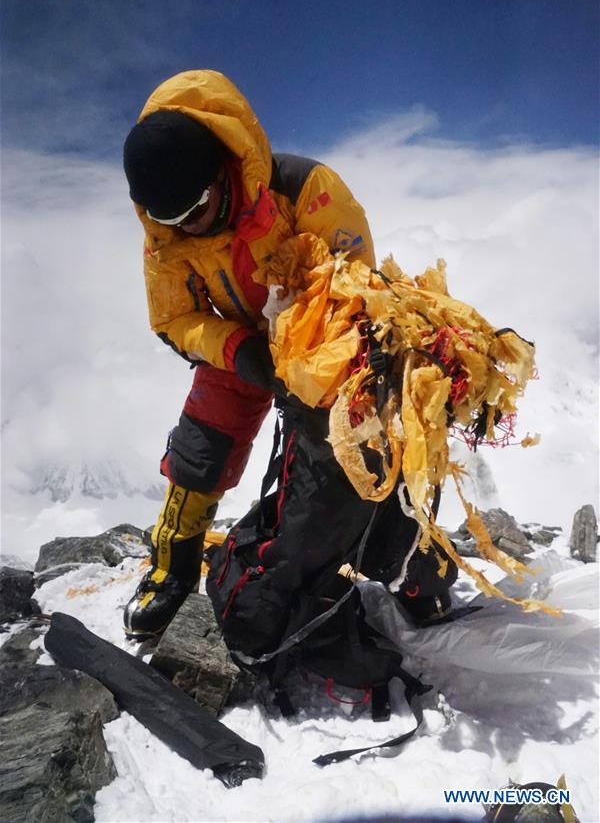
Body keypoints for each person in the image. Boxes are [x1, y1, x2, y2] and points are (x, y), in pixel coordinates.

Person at [122, 69, 456, 642]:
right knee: (204, 435)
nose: (184, 229)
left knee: (361, 452)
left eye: (193, 210)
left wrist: (298, 352)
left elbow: (354, 287)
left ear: (220, 172)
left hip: (325, 344)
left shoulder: (304, 189)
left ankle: (416, 572)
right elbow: (174, 320)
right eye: (166, 219)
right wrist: (238, 349)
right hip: (243, 342)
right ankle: (172, 563)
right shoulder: (167, 236)